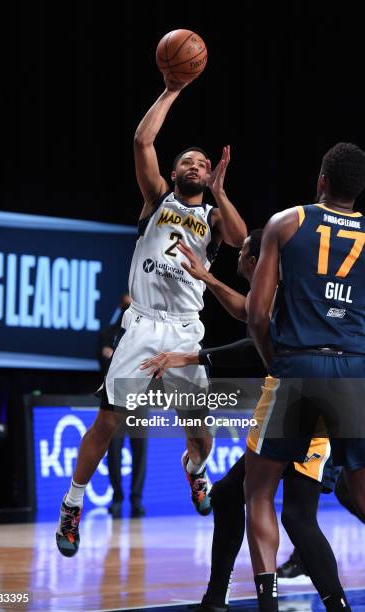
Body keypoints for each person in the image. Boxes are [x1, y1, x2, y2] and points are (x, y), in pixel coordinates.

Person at [56, 75, 247, 557]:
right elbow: (143, 140)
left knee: (199, 431)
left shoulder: (214, 219)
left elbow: (245, 242)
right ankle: (72, 505)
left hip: (185, 330)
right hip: (141, 324)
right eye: (188, 160)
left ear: (210, 176)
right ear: (176, 172)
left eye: (203, 164)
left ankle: (196, 470)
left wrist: (222, 192)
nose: (195, 166)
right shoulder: (157, 197)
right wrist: (173, 89)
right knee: (107, 421)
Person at [142, 232, 362, 611]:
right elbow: (247, 313)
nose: (238, 257)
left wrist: (192, 358)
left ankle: (314, 603)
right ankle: (216, 598)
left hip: (308, 404)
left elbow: (254, 332)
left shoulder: (284, 289)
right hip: (321, 399)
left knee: (297, 514)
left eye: (242, 252)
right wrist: (208, 281)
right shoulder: (284, 288)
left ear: (255, 259)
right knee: (239, 498)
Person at [245, 142, 365, 612]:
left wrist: (276, 361)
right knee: (358, 492)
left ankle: (268, 604)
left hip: (297, 364)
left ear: (322, 179)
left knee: (258, 493)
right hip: (353, 370)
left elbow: (256, 314)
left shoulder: (286, 222)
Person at [98, 293, 147, 518]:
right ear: (121, 307)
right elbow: (106, 366)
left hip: (139, 399)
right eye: (127, 305)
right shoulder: (108, 334)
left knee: (139, 450)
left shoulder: (146, 337)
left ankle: (136, 499)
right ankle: (117, 498)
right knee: (114, 450)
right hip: (116, 399)